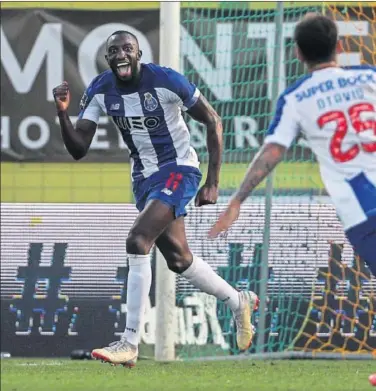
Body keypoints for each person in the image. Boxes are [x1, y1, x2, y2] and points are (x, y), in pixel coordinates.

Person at [53, 30, 259, 367]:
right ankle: (238, 301)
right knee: (179, 260)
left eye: (127, 48)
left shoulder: (165, 80)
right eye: (114, 50)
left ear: (138, 54)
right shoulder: (100, 90)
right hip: (144, 179)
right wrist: (62, 113)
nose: (121, 54)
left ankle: (129, 342)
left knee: (138, 239)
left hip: (179, 169)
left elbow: (214, 121)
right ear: (108, 58)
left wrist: (213, 182)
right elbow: (78, 148)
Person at [209, 14, 376, 279]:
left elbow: (273, 152)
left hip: (362, 213)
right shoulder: (369, 77)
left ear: (297, 53)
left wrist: (237, 201)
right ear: (340, 47)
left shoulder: (296, 98)